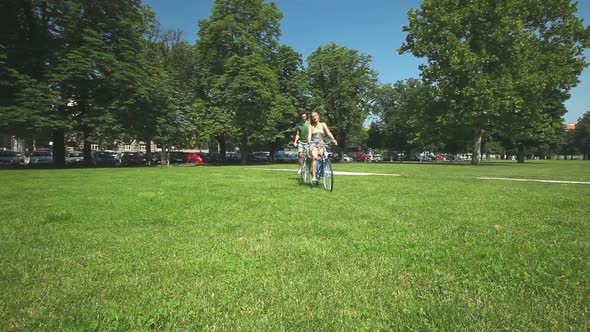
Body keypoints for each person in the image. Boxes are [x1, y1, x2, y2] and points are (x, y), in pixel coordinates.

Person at [307, 111, 337, 184]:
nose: (314, 117)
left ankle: (320, 173)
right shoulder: (310, 126)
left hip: (321, 144)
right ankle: (314, 176)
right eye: (313, 116)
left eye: (315, 115)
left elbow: (328, 132)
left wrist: (333, 139)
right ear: (311, 118)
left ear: (318, 116)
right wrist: (308, 142)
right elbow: (309, 135)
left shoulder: (323, 124)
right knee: (315, 157)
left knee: (322, 158)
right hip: (313, 144)